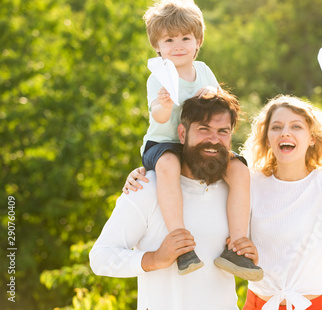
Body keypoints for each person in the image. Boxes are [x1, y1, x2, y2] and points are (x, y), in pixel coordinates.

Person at [125, 65, 322, 310]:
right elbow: (194, 170)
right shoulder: (248, 183)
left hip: (312, 305)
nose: (285, 133)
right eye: (277, 127)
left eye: (296, 127)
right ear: (267, 138)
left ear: (312, 139)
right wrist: (147, 171)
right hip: (257, 304)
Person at [90, 91, 261, 310]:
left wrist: (250, 253)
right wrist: (155, 259)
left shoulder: (237, 191)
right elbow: (101, 257)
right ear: (182, 134)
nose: (214, 139)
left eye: (223, 132)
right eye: (203, 129)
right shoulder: (147, 186)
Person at [139, 0, 259, 278]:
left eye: (185, 39)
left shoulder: (203, 70)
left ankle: (237, 247)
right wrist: (164, 106)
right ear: (157, 46)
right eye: (169, 40)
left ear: (198, 42)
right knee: (168, 165)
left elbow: (221, 99)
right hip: (165, 143)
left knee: (240, 170)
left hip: (201, 144)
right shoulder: (159, 75)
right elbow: (157, 114)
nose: (178, 46)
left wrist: (213, 93)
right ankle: (181, 243)